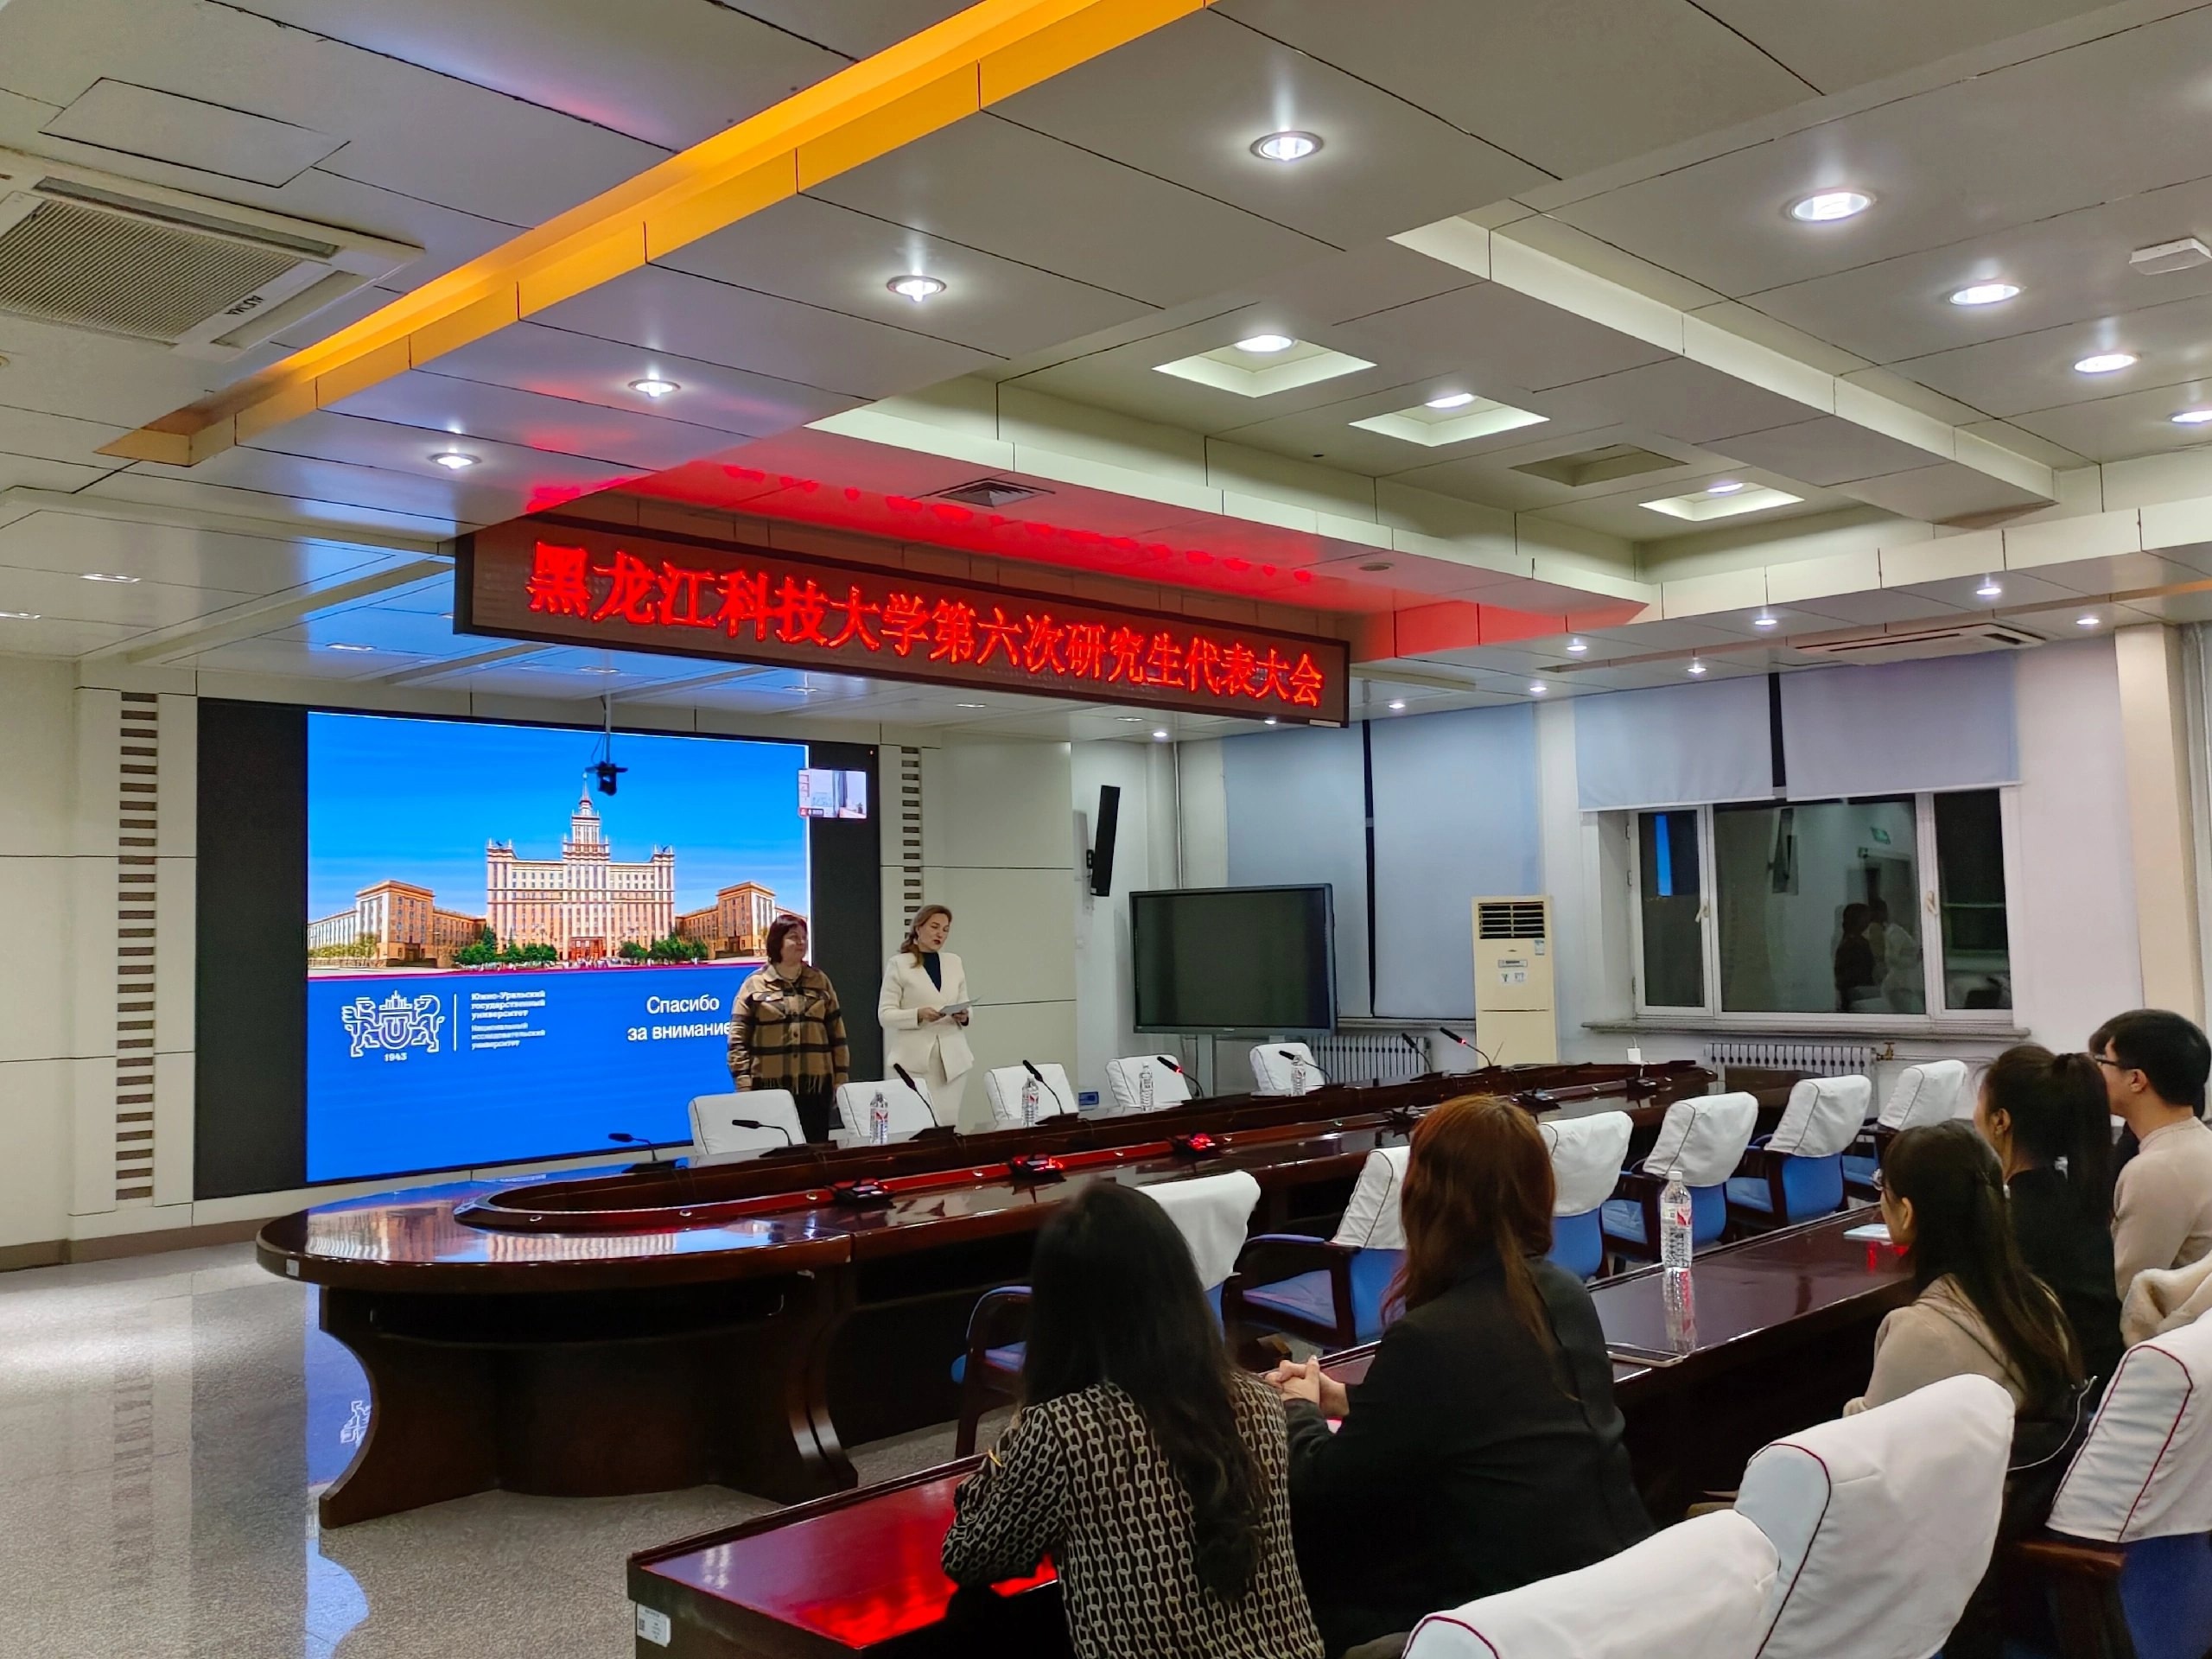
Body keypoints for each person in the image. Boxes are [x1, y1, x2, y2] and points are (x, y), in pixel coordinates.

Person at [1266, 1096, 1649, 1658]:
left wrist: (1297, 1407)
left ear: (1425, 1200)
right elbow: (1479, 1404)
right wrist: (1343, 1397)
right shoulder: (1564, 1291)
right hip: (1611, 1584)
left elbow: (1327, 1489)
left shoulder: (1429, 1335)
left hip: (1511, 1619)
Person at [940, 1182, 1323, 1659]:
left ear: (1056, 1315)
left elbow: (967, 1554)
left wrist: (1023, 1421)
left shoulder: (1063, 1431)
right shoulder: (1261, 1403)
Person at [1848, 1121, 2080, 1417]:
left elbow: (1869, 1432)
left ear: (1907, 1212)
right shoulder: (2040, 1300)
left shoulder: (1919, 1332)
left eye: (1883, 1186)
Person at [1973, 1046, 2123, 1389]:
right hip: (2101, 1378)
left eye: (1980, 1103)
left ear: (2000, 1120)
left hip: (2065, 1392)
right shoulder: (2078, 1198)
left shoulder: (2010, 1223)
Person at [2091, 1008, 2212, 1297]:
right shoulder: (2199, 1143)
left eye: (2102, 1062)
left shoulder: (2155, 1170)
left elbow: (2130, 1294)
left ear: (2136, 1079)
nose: (2094, 1073)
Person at [726, 913, 848, 1143]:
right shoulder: (754, 984)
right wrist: (743, 1084)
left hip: (815, 1091)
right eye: (793, 937)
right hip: (769, 1091)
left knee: (815, 1155)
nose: (801, 942)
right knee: (775, 1155)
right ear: (777, 942)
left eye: (804, 937)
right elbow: (738, 1041)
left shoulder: (820, 981)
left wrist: (840, 1078)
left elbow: (837, 1035)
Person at [877, 903, 974, 1127]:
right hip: (915, 1062)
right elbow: (885, 1015)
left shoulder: (954, 962)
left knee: (948, 1125)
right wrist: (918, 1014)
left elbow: (965, 1002)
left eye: (945, 930)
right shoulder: (899, 964)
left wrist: (964, 1015)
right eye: (935, 927)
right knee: (918, 1126)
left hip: (953, 1061)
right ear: (918, 928)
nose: (940, 934)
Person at [1834, 903, 1878, 1013]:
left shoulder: (1847, 942)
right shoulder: (1857, 944)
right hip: (1859, 996)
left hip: (1852, 996)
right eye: (1867, 918)